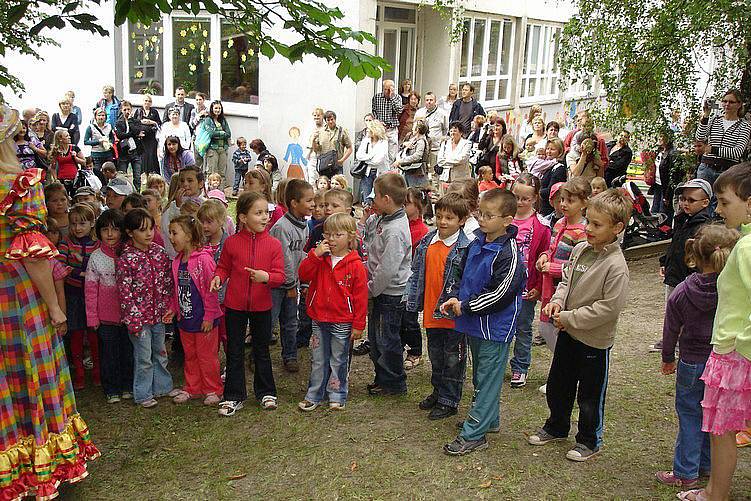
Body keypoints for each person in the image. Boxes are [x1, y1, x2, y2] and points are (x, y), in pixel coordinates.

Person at [0, 106, 100, 498]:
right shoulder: (18, 185)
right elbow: (32, 256)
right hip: (16, 297)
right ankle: (35, 459)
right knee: (30, 370)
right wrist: (56, 308)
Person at [528, 189, 632, 461]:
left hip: (594, 342)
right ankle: (556, 425)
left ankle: (589, 439)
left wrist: (569, 317)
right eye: (588, 221)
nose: (588, 228)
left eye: (597, 225)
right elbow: (565, 282)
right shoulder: (580, 249)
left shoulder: (616, 266)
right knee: (558, 383)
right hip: (567, 333)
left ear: (617, 228)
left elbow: (608, 309)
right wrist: (558, 303)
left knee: (590, 395)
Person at [676, 162, 751, 501]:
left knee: (722, 431)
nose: (718, 210)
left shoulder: (747, 247)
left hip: (735, 354)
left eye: (724, 202)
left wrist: (739, 349)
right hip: (735, 352)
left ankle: (715, 494)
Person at [439, 188, 525, 455]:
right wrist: (454, 298)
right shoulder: (477, 241)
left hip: (494, 328)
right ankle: (489, 420)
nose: (483, 220)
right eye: (481, 214)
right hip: (472, 323)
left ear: (508, 219)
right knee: (481, 376)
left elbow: (500, 294)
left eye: (490, 216)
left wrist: (465, 306)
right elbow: (463, 274)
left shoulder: (509, 254)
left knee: (488, 378)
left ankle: (474, 434)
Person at [656, 225, 739, 488]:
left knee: (690, 415)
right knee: (711, 415)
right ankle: (706, 464)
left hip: (691, 361)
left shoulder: (682, 291)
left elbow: (670, 330)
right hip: (722, 361)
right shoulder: (733, 290)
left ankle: (684, 471)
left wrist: (667, 357)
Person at [211, 191, 285, 416]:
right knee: (234, 350)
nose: (265, 218)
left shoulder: (273, 245)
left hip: (262, 306)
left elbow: (281, 276)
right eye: (258, 213)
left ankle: (266, 392)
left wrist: (267, 278)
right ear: (242, 218)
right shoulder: (232, 243)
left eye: (266, 213)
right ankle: (233, 395)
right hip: (235, 305)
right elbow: (223, 266)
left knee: (261, 350)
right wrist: (218, 277)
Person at [406, 192, 470, 419]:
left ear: (461, 220)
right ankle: (438, 390)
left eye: (449, 218)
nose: (443, 222)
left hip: (453, 316)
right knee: (436, 355)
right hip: (432, 313)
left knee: (453, 359)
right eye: (440, 216)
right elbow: (416, 273)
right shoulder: (427, 242)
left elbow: (468, 282)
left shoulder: (465, 248)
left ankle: (449, 399)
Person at [297, 213, 368, 411]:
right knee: (318, 359)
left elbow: (360, 298)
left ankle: (337, 394)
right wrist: (314, 255)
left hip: (343, 321)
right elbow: (303, 274)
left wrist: (359, 324)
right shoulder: (319, 258)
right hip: (319, 318)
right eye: (328, 234)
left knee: (338, 360)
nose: (332, 239)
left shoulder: (356, 265)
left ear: (351, 237)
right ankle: (314, 394)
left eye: (338, 234)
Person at [116, 208, 176, 408]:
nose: (149, 233)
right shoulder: (126, 259)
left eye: (151, 228)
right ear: (130, 232)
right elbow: (125, 292)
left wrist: (169, 306)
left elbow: (168, 282)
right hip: (139, 320)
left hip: (159, 315)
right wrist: (134, 319)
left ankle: (162, 387)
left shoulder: (159, 253)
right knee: (143, 357)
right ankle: (142, 394)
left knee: (160, 352)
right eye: (142, 230)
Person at [164, 215, 223, 405]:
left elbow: (211, 291)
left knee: (207, 357)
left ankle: (213, 389)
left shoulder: (204, 260)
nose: (171, 238)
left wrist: (209, 316)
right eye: (170, 233)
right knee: (190, 356)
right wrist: (173, 309)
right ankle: (193, 387)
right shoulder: (177, 261)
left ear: (188, 236)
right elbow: (176, 290)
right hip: (186, 320)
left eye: (175, 233)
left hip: (204, 319)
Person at [364, 173, 412, 396]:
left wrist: (371, 289)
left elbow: (388, 268)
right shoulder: (385, 219)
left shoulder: (395, 231)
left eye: (375, 196)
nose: (371, 200)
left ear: (386, 199)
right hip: (380, 290)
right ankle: (383, 378)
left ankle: (393, 382)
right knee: (377, 338)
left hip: (389, 293)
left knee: (386, 340)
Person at [536, 178, 591, 360]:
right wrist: (544, 255)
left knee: (559, 331)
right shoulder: (560, 224)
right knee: (545, 328)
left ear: (584, 203)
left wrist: (553, 268)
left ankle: (566, 370)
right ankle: (561, 367)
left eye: (570, 200)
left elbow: (580, 266)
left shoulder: (582, 231)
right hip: (549, 288)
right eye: (562, 200)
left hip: (566, 290)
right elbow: (552, 248)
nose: (564, 204)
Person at [655, 179, 712, 349]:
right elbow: (675, 244)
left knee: (684, 309)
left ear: (705, 202)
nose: (685, 203)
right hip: (675, 272)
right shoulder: (682, 219)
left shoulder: (703, 226)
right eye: (683, 199)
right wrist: (665, 261)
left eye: (691, 200)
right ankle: (671, 337)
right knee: (671, 307)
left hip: (688, 275)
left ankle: (680, 340)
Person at [86, 209, 134, 403]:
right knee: (109, 355)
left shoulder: (129, 253)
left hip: (129, 316)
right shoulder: (96, 257)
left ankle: (127, 386)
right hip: (105, 319)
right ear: (98, 232)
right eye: (105, 229)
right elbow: (90, 291)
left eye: (114, 229)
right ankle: (111, 389)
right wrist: (92, 317)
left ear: (122, 231)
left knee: (128, 353)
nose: (110, 234)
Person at [508, 174, 552, 389]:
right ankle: (498, 364)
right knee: (502, 326)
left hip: (526, 286)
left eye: (526, 198)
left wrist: (537, 286)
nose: (520, 202)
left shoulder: (541, 225)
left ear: (535, 198)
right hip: (502, 284)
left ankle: (520, 366)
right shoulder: (503, 218)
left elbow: (545, 254)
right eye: (516, 196)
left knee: (523, 327)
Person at [269, 179, 314, 372]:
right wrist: (290, 285)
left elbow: (298, 254)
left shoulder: (304, 225)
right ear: (294, 203)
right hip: (277, 284)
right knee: (269, 321)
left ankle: (290, 355)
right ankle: (257, 355)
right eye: (309, 201)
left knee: (290, 321)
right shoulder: (282, 227)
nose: (313, 204)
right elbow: (284, 259)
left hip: (290, 282)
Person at [57, 203, 100, 389]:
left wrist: (82, 262)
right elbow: (60, 267)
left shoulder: (97, 244)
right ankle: (79, 375)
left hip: (92, 296)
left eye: (82, 223)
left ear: (92, 223)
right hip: (73, 295)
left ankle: (97, 373)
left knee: (93, 336)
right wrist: (80, 272)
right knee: (76, 335)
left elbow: (96, 266)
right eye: (73, 223)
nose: (77, 228)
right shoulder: (66, 242)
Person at [695, 89, 751, 214]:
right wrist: (705, 116)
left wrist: (712, 149)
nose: (727, 105)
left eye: (731, 102)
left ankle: (717, 232)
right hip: (706, 167)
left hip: (726, 170)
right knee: (701, 203)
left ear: (739, 104)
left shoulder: (744, 126)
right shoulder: (715, 120)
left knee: (721, 206)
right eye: (724, 101)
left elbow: (737, 152)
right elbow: (699, 137)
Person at [401, 187, 430, 370]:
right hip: (399, 278)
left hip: (412, 279)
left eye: (407, 203)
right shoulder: (400, 224)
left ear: (418, 206)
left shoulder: (422, 231)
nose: (403, 205)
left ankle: (415, 351)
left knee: (409, 318)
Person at [651, 130, 683, 225]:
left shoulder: (673, 154)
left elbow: (674, 177)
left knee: (664, 213)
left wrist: (667, 195)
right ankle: (654, 232)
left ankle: (664, 233)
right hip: (658, 185)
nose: (660, 138)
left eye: (662, 136)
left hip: (666, 189)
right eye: (659, 136)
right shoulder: (660, 151)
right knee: (654, 210)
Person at [355, 119, 390, 204]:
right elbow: (359, 155)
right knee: (367, 198)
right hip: (367, 172)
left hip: (380, 173)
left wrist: (365, 158)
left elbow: (378, 161)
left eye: (369, 129)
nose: (367, 131)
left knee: (378, 197)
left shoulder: (383, 142)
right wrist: (371, 157)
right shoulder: (365, 141)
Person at [115, 101, 146, 193]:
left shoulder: (135, 120)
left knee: (137, 176)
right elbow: (120, 135)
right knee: (122, 176)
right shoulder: (119, 122)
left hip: (135, 152)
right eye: (124, 109)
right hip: (124, 153)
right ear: (121, 110)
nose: (127, 111)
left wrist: (130, 121)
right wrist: (132, 134)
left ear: (131, 109)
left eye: (128, 109)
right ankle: (123, 193)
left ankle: (137, 193)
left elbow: (137, 130)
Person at [312, 111, 353, 179]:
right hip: (324, 166)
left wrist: (342, 160)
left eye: (332, 119)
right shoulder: (320, 131)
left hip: (337, 165)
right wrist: (313, 141)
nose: (330, 122)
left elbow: (350, 148)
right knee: (324, 187)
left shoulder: (342, 131)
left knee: (337, 187)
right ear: (325, 121)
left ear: (335, 119)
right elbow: (316, 150)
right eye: (328, 120)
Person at [533, 139, 568, 216]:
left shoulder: (559, 168)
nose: (548, 151)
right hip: (542, 206)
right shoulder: (547, 166)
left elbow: (551, 191)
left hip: (549, 210)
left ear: (559, 152)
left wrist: (534, 192)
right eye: (548, 149)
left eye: (552, 149)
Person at [201, 101, 231, 187]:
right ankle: (209, 194)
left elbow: (228, 134)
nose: (218, 110)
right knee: (211, 173)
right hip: (212, 149)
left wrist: (218, 133)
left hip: (223, 149)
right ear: (212, 109)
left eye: (219, 108)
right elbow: (211, 134)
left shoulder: (223, 120)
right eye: (216, 108)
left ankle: (220, 194)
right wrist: (222, 133)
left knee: (222, 173)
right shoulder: (208, 120)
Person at [371, 80, 403, 161]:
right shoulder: (377, 97)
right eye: (385, 89)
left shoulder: (397, 97)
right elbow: (374, 112)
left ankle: (390, 172)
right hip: (380, 130)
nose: (387, 92)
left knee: (392, 154)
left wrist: (392, 97)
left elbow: (399, 111)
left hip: (392, 129)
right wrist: (378, 122)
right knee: (379, 153)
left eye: (389, 89)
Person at [393, 120, 430, 188]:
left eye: (414, 127)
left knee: (414, 194)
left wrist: (400, 161)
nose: (412, 128)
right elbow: (401, 148)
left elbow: (417, 156)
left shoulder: (421, 141)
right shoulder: (412, 138)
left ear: (417, 130)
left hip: (416, 174)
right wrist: (405, 144)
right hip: (408, 171)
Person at [436, 122, 472, 191]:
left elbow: (462, 159)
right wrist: (454, 162)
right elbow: (440, 161)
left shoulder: (467, 143)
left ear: (461, 133)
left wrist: (446, 160)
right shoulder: (445, 143)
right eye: (451, 131)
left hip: (461, 180)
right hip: (445, 178)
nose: (452, 133)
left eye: (455, 131)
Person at [49, 129, 85, 196]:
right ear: (60, 139)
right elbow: (52, 167)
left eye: (69, 135)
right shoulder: (56, 151)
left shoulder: (74, 148)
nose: (69, 137)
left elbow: (84, 162)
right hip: (62, 179)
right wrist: (56, 179)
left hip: (75, 179)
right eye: (66, 136)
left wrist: (75, 158)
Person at [134, 95, 161, 176]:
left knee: (152, 155)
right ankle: (145, 175)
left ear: (151, 103)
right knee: (144, 156)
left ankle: (153, 173)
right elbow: (134, 123)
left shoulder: (154, 111)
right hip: (142, 137)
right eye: (145, 101)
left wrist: (151, 122)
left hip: (152, 137)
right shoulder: (138, 111)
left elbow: (159, 123)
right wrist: (142, 122)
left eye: (149, 101)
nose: (147, 103)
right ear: (143, 102)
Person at [85, 108, 116, 173]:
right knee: (98, 172)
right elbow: (86, 141)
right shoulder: (90, 127)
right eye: (99, 115)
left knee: (108, 172)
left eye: (103, 115)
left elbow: (112, 138)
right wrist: (98, 141)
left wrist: (111, 143)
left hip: (108, 153)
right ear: (95, 116)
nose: (101, 117)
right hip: (96, 154)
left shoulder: (109, 126)